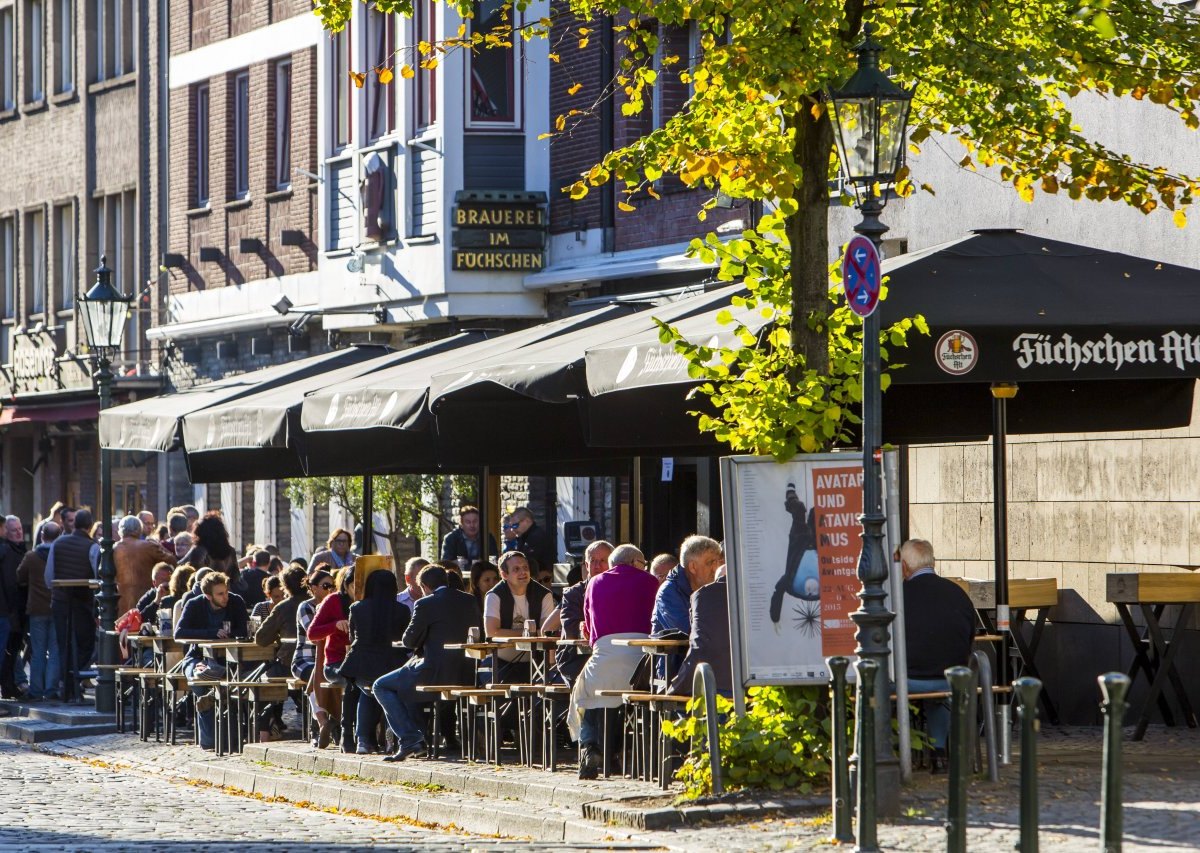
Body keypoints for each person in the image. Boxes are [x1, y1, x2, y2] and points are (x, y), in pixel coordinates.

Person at [374, 564, 482, 762]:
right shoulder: (469, 600)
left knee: (380, 685)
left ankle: (410, 739)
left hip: (433, 671)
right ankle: (414, 738)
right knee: (403, 681)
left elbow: (409, 641)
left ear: (424, 586)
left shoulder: (426, 604)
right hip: (467, 672)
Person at [573, 544, 659, 779]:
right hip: (643, 666)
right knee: (604, 691)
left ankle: (589, 747)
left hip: (606, 660)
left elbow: (590, 635)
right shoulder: (651, 582)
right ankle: (620, 751)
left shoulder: (594, 583)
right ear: (634, 563)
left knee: (584, 693)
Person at [900, 539, 977, 764]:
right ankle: (939, 752)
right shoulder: (958, 593)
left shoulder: (898, 596)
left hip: (908, 680)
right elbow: (971, 637)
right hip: (952, 680)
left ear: (904, 566)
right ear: (932, 562)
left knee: (875, 684)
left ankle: (890, 749)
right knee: (940, 690)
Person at [176, 571, 249, 750]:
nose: (225, 597)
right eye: (220, 594)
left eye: (226, 591)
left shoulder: (236, 601)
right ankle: (210, 740)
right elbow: (179, 633)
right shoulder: (194, 604)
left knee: (237, 681)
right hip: (197, 656)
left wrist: (230, 634)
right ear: (208, 596)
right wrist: (211, 633)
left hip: (228, 659)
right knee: (200, 680)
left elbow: (245, 629)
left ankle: (230, 736)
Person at [340, 570, 410, 754]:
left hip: (362, 665)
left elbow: (351, 636)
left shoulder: (357, 608)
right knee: (388, 693)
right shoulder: (402, 610)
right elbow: (406, 639)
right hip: (392, 663)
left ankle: (362, 739)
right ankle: (390, 739)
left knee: (367, 692)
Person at [253, 565, 309, 741]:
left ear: (286, 586)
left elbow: (261, 638)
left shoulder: (283, 607)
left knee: (261, 685)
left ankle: (265, 731)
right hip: (316, 664)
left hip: (289, 665)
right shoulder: (316, 603)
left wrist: (278, 634)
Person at [45, 508, 99, 688]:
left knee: (64, 643)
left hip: (60, 601)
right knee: (86, 643)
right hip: (82, 602)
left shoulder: (58, 543)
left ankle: (66, 682)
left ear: (74, 524)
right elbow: (98, 577)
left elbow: (48, 577)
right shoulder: (93, 546)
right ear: (90, 526)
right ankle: (74, 679)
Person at [483, 551, 554, 683]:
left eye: (525, 568)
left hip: (536, 662)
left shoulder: (544, 595)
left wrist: (552, 665)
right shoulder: (494, 595)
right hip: (502, 663)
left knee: (541, 696)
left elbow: (547, 632)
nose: (523, 572)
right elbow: (492, 633)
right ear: (504, 574)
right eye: (516, 569)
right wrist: (529, 634)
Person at [307, 566, 356, 751]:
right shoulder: (334, 600)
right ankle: (346, 731)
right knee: (353, 681)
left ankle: (368, 735)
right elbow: (312, 633)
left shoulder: (368, 602)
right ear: (346, 585)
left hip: (360, 661)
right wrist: (335, 625)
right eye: (354, 585)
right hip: (336, 661)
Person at [669, 564, 733, 697]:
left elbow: (695, 634)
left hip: (707, 679)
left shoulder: (701, 595)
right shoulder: (754, 593)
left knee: (679, 702)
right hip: (749, 683)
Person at [17, 521, 58, 701]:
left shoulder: (31, 556)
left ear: (42, 536)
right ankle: (51, 690)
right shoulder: (60, 555)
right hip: (56, 607)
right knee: (55, 651)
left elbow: (20, 576)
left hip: (36, 609)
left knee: (38, 651)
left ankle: (36, 689)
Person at [652, 535, 723, 637]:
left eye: (718, 562)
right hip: (677, 652)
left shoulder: (716, 587)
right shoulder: (668, 592)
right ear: (693, 567)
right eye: (710, 562)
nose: (716, 568)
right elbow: (689, 631)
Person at [294, 567, 334, 746]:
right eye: (326, 585)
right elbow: (315, 635)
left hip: (328, 657)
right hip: (305, 659)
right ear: (314, 588)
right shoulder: (306, 607)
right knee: (316, 674)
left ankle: (330, 724)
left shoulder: (335, 604)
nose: (330, 589)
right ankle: (321, 724)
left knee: (326, 677)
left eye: (333, 585)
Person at [114, 515, 177, 618]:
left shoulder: (114, 548)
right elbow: (172, 560)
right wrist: (159, 546)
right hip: (146, 601)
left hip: (122, 605)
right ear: (139, 529)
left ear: (121, 530)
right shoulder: (149, 546)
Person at [0, 516, 26, 696]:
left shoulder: (16, 550)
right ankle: (8, 686)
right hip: (9, 611)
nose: (19, 532)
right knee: (6, 651)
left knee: (10, 652)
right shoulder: (7, 552)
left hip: (11, 610)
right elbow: (11, 584)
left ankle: (9, 686)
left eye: (20, 529)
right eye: (13, 530)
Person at [512, 507, 555, 574]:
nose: (512, 529)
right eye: (511, 526)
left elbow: (530, 562)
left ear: (527, 521)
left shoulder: (536, 537)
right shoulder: (525, 536)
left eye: (515, 525)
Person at [135, 561, 174, 628]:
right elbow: (139, 619)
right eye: (163, 580)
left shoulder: (176, 595)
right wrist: (156, 601)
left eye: (169, 580)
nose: (166, 583)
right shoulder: (148, 597)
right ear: (154, 582)